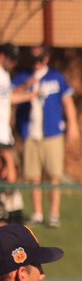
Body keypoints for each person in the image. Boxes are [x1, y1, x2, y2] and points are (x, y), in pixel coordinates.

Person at [13, 45, 77, 228]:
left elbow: (67, 101)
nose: (37, 64)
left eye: (40, 60)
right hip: (30, 133)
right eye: (34, 60)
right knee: (33, 176)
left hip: (52, 134)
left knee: (53, 176)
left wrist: (72, 124)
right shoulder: (23, 77)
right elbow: (10, 95)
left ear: (46, 59)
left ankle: (54, 214)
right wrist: (27, 87)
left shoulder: (56, 77)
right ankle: (37, 213)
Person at [0, 43, 32, 223]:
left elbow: (7, 97)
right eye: (10, 59)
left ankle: (11, 212)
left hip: (5, 134)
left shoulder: (4, 76)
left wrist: (28, 94)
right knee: (9, 173)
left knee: (10, 174)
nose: (13, 63)